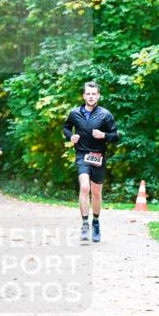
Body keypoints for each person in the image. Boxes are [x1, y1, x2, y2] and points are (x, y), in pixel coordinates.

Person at [62, 81, 119, 242]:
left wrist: (104, 136)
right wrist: (70, 136)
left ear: (98, 96)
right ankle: (85, 223)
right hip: (82, 155)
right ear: (84, 96)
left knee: (96, 192)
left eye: (94, 94)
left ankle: (95, 222)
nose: (91, 96)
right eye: (88, 94)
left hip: (98, 156)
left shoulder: (105, 115)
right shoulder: (74, 113)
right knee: (85, 187)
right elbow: (66, 127)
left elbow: (116, 136)